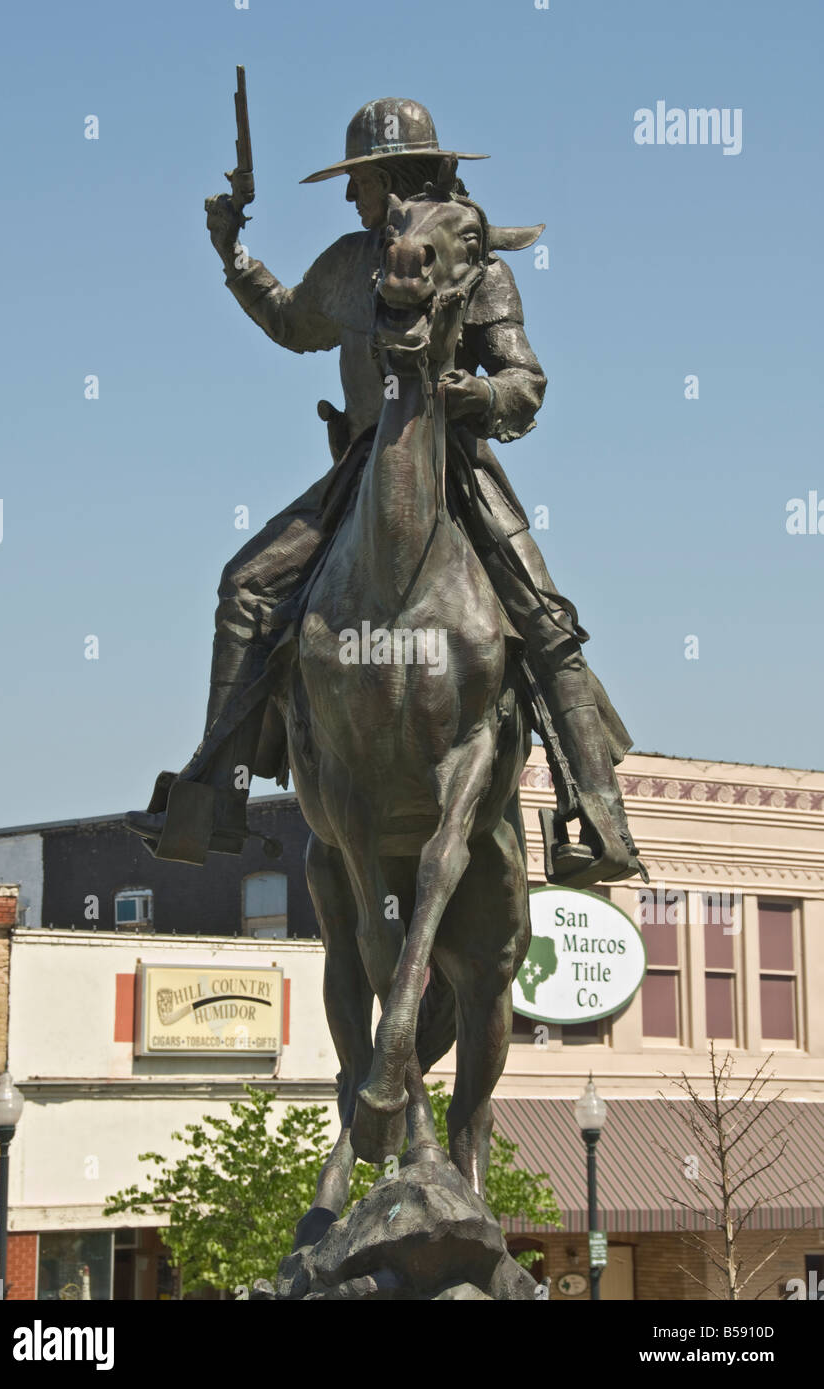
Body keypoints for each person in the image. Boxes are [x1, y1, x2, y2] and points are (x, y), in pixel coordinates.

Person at [125, 98, 645, 888]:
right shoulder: (346, 260)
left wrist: (477, 396)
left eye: (359, 179)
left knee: (544, 620)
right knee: (244, 586)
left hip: (454, 467)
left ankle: (596, 815)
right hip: (360, 467)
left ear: (398, 178)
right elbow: (292, 324)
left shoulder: (476, 264)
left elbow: (524, 382)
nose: (349, 197)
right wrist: (233, 253)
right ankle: (217, 797)